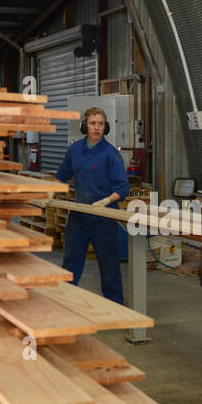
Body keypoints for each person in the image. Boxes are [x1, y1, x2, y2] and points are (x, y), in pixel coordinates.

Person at [55, 106, 129, 304]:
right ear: (84, 126)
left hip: (104, 218)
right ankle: (64, 303)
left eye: (101, 124)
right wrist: (49, 192)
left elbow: (122, 188)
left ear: (105, 127)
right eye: (93, 123)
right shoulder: (75, 150)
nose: (97, 128)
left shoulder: (111, 154)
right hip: (79, 216)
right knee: (71, 262)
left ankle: (115, 307)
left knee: (109, 266)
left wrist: (105, 201)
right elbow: (61, 176)